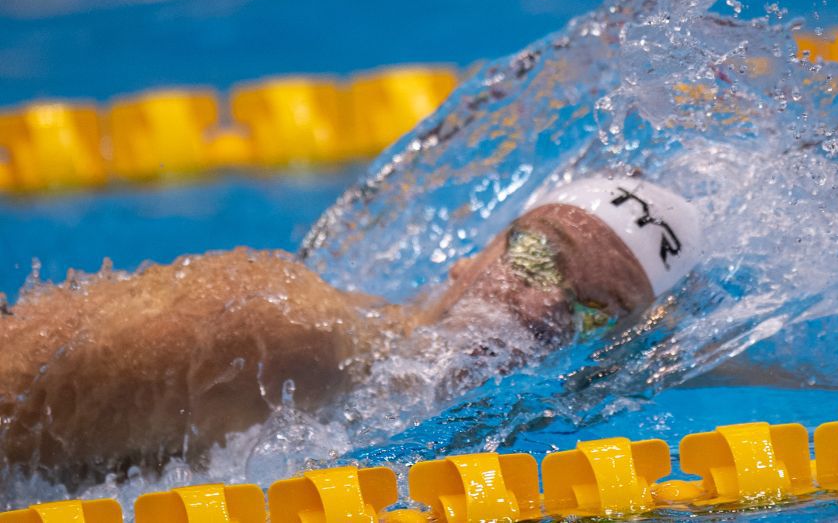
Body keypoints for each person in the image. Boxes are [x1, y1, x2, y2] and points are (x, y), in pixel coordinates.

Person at [0, 176, 704, 482]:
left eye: (591, 312)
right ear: (469, 258)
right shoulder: (272, 331)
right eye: (536, 256)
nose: (544, 306)